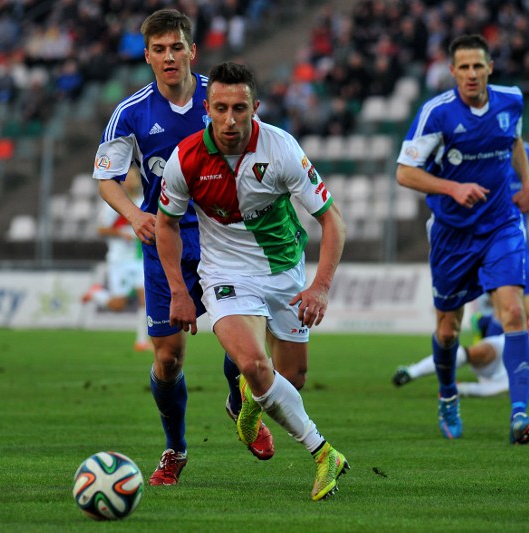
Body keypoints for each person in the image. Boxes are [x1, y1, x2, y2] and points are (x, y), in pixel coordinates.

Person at [91, 9, 273, 487]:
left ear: (192, 51)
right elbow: (107, 179)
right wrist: (134, 215)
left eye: (176, 48)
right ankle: (175, 448)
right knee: (168, 358)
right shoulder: (131, 113)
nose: (169, 57)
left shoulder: (222, 98)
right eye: (159, 49)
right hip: (165, 241)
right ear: (147, 56)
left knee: (243, 338)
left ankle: (239, 398)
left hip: (223, 238)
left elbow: (261, 154)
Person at [155, 61, 349, 501]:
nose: (230, 119)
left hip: (284, 270)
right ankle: (324, 453)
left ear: (254, 108)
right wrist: (180, 291)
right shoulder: (186, 158)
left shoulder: (281, 148)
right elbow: (166, 224)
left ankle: (246, 401)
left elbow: (333, 220)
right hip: (224, 274)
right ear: (207, 109)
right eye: (221, 108)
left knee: (291, 378)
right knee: (255, 365)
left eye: (239, 108)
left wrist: (320, 287)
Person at [395, 34, 529, 444]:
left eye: (479, 65)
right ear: (453, 71)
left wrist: (528, 185)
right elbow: (404, 173)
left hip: (501, 223)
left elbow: (514, 141)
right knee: (448, 330)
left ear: (490, 67)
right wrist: (452, 188)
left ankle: (519, 414)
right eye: (464, 67)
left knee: (513, 312)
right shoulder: (436, 113)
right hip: (452, 234)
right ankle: (447, 394)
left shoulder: (511, 100)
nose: (472, 74)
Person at [394, 284, 529, 400]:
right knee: (479, 351)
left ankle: (462, 390)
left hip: (523, 376)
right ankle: (411, 372)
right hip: (506, 351)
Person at [468, 141, 529, 341]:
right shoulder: (480, 144)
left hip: (519, 245)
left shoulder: (527, 151)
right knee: (507, 310)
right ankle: (490, 347)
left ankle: (484, 324)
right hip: (491, 242)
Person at [82, 169, 150, 352]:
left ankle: (141, 341)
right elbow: (101, 229)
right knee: (118, 305)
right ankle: (96, 293)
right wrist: (120, 233)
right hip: (119, 260)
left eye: (135, 178)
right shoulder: (115, 203)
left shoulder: (143, 202)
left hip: (139, 259)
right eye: (129, 178)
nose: (132, 181)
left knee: (146, 300)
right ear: (122, 181)